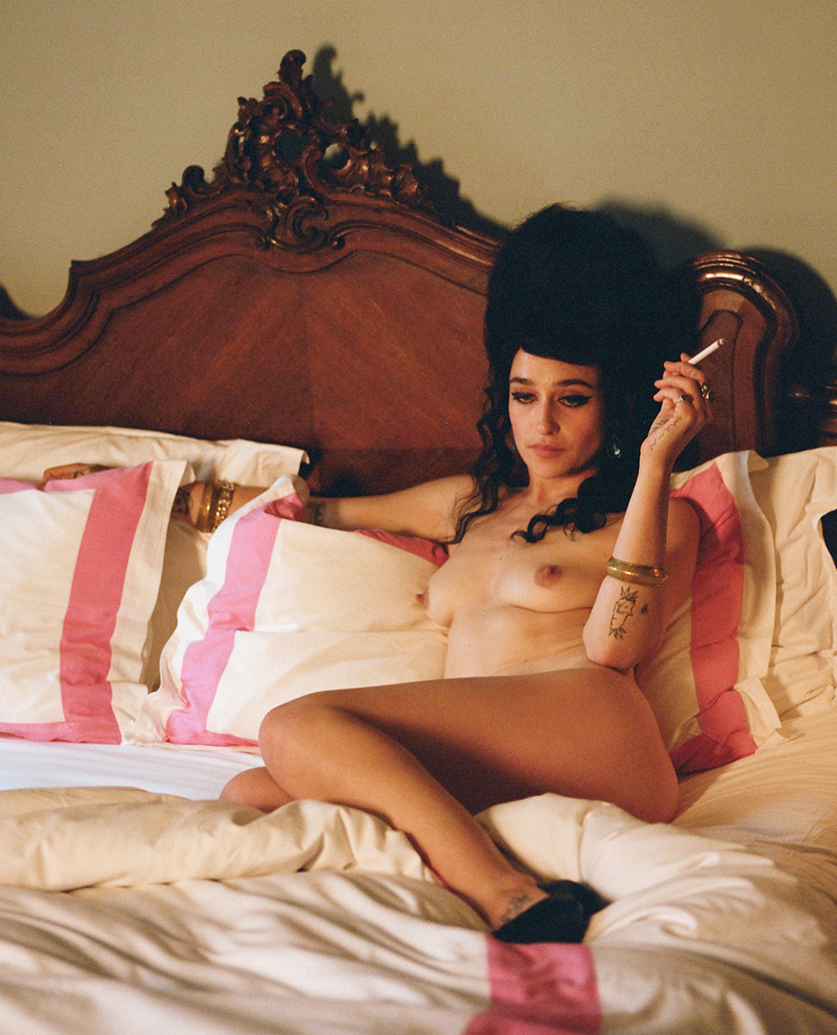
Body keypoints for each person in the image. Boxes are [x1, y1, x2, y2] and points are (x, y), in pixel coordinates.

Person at [52, 207, 713, 943]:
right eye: (524, 395)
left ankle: (503, 893)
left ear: (617, 406)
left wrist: (655, 464)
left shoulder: (659, 515)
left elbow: (617, 648)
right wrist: (150, 493)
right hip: (499, 744)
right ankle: (490, 877)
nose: (543, 424)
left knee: (293, 725)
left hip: (596, 730)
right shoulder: (471, 505)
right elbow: (313, 511)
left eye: (573, 399)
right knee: (254, 793)